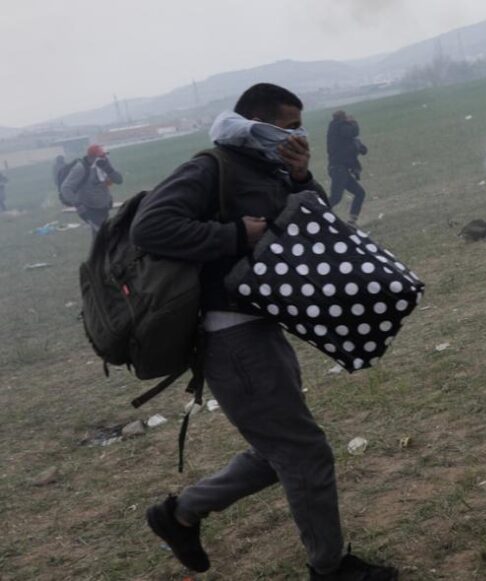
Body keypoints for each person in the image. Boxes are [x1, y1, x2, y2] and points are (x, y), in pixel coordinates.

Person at [132, 83, 398, 581]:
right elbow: (150, 227)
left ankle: (180, 514)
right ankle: (329, 569)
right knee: (302, 452)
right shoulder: (211, 167)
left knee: (280, 449)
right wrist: (236, 234)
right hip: (232, 336)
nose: (299, 135)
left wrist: (300, 177)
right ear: (259, 124)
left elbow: (317, 222)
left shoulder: (267, 168)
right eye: (290, 127)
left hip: (261, 328)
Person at [59, 144, 122, 236]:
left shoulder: (105, 164)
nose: (104, 158)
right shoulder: (81, 168)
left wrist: (109, 170)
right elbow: (65, 188)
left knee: (99, 235)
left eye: (105, 155)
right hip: (89, 208)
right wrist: (77, 204)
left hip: (104, 206)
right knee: (103, 234)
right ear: (92, 157)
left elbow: (119, 180)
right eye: (101, 156)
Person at [326, 110, 369, 225]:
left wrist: (359, 147)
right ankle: (317, 214)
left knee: (359, 193)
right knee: (335, 198)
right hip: (338, 169)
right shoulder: (338, 127)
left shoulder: (339, 134)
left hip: (340, 169)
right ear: (343, 118)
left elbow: (363, 149)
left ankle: (352, 221)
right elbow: (353, 132)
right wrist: (353, 122)